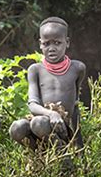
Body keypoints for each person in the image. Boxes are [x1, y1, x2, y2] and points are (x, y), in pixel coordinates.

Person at [9, 17, 86, 151]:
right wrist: (51, 114)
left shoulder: (77, 68)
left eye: (57, 43)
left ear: (67, 42)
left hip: (62, 128)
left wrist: (78, 142)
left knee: (39, 123)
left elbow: (75, 105)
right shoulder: (35, 70)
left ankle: (63, 155)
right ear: (40, 44)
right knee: (17, 128)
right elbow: (32, 104)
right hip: (40, 126)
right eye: (46, 44)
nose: (51, 48)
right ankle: (41, 154)